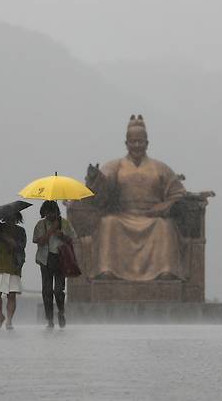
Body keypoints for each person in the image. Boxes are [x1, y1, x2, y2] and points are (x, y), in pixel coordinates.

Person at [86, 114, 186, 281]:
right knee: (108, 223)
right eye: (133, 142)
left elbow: (178, 193)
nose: (137, 145)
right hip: (122, 215)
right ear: (126, 144)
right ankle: (107, 271)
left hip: (152, 217)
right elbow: (103, 189)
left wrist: (164, 206)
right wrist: (96, 178)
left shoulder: (160, 168)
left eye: (141, 142)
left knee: (165, 226)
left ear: (147, 143)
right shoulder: (114, 166)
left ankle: (166, 272)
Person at [33, 200, 77, 328]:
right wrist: (51, 230)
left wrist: (62, 235)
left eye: (53, 212)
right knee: (47, 291)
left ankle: (61, 312)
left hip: (60, 260)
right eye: (48, 213)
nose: (51, 215)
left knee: (58, 290)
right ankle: (49, 319)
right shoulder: (40, 225)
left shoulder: (64, 223)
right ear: (44, 213)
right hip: (45, 260)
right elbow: (39, 241)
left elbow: (72, 239)